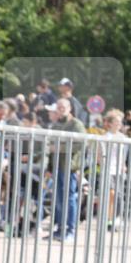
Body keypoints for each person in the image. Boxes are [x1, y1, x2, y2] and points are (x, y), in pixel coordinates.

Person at [46, 98, 86, 241]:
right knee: (57, 198)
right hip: (57, 166)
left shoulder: (77, 124)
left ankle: (71, 230)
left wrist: (59, 148)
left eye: (63, 107)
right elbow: (49, 146)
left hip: (69, 167)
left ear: (69, 108)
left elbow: (80, 144)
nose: (61, 109)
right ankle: (59, 228)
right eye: (59, 107)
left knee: (69, 198)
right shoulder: (56, 125)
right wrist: (49, 166)